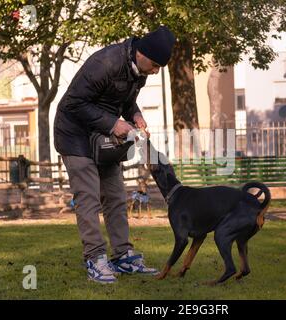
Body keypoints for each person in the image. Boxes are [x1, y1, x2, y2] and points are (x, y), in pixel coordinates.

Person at [53, 26, 175, 283]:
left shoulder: (138, 71)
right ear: (142, 53)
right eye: (154, 65)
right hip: (74, 135)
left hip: (104, 139)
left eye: (159, 68)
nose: (155, 71)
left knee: (116, 197)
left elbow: (126, 101)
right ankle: (95, 259)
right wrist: (113, 124)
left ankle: (122, 257)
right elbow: (73, 103)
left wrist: (135, 115)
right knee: (88, 197)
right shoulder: (105, 62)